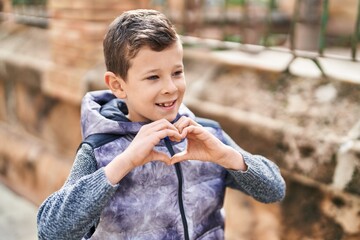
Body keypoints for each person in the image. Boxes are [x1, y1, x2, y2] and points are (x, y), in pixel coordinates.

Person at [37, 9, 285, 240]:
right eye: (153, 77)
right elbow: (51, 231)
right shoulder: (101, 150)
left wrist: (227, 156)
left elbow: (274, 190)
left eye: (177, 73)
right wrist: (125, 162)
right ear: (117, 85)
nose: (170, 88)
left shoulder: (207, 134)